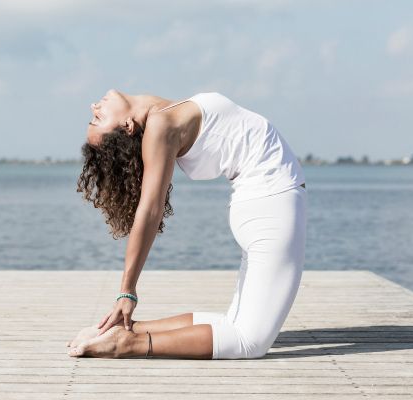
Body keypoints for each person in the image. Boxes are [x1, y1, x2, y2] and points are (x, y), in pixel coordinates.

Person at [68, 89, 307, 359]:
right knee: (249, 341)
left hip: (263, 204)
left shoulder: (164, 114)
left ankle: (126, 330)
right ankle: (127, 344)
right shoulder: (161, 125)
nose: (93, 108)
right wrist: (127, 291)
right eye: (96, 120)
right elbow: (150, 209)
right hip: (271, 204)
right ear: (127, 126)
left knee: (234, 323)